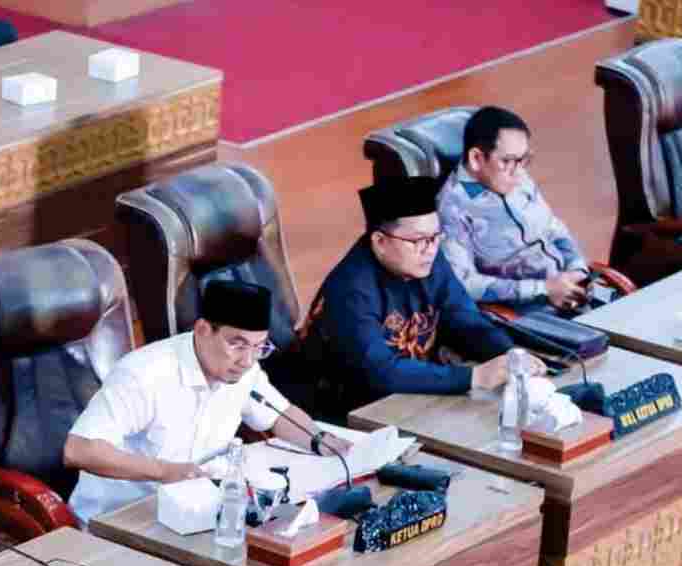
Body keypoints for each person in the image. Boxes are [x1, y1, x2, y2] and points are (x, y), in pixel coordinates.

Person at [64, 280, 353, 523]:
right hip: (120, 519)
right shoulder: (145, 374)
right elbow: (79, 450)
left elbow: (279, 415)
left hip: (195, 511)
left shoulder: (244, 368)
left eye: (259, 347)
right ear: (202, 329)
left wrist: (320, 440)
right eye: (237, 344)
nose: (247, 360)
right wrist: (166, 472)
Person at [287, 175, 539, 422]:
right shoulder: (351, 289)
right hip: (344, 411)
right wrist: (474, 377)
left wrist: (510, 357)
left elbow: (465, 320)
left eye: (435, 237)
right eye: (418, 240)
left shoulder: (427, 259)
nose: (430, 249)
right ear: (380, 241)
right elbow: (379, 372)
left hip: (410, 397)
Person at [437, 106, 589, 313]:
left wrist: (576, 268)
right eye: (507, 161)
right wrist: (544, 289)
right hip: (529, 310)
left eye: (523, 159)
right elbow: (465, 283)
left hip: (570, 288)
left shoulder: (519, 176)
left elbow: (554, 228)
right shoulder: (451, 208)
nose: (519, 173)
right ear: (476, 158)